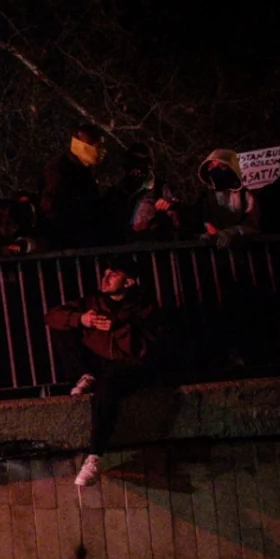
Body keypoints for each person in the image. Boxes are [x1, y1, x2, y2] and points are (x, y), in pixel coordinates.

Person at [45, 257, 159, 487]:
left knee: (107, 391)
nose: (105, 278)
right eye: (105, 272)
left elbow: (144, 349)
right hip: (96, 362)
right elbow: (52, 316)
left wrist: (119, 326)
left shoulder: (144, 307)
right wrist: (82, 319)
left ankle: (95, 456)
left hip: (126, 365)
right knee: (64, 326)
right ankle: (84, 374)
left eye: (113, 274)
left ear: (128, 283)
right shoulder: (93, 301)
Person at [40, 125, 109, 249]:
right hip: (69, 242)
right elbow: (51, 205)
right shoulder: (60, 169)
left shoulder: (85, 170)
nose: (101, 151)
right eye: (97, 146)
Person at [108, 145, 181, 243]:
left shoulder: (161, 189)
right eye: (133, 164)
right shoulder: (117, 192)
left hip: (151, 246)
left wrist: (168, 206)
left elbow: (177, 219)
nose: (137, 170)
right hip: (123, 246)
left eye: (142, 164)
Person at [192, 150, 259, 242]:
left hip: (243, 250)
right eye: (211, 166)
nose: (215, 170)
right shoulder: (205, 197)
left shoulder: (245, 196)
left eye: (221, 166)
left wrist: (232, 232)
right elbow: (197, 223)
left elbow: (253, 225)